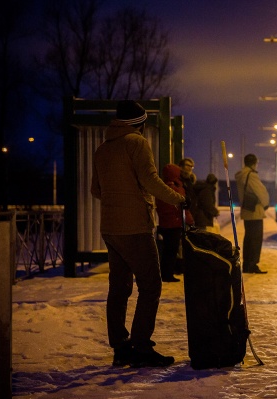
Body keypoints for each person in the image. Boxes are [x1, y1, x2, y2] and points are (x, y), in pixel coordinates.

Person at [91, 100, 188, 368]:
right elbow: (150, 180)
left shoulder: (102, 149)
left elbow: (96, 190)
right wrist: (178, 198)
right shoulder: (136, 143)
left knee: (119, 288)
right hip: (134, 227)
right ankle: (142, 347)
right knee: (151, 285)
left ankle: (121, 347)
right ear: (141, 124)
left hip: (110, 228)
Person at [156, 164, 194, 282]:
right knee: (171, 250)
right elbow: (182, 206)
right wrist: (190, 221)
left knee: (168, 250)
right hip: (174, 223)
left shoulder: (162, 187)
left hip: (165, 222)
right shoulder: (174, 189)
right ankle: (167, 274)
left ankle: (166, 272)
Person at [235, 154, 270, 274]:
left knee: (249, 238)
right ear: (254, 163)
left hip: (246, 210)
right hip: (255, 211)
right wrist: (266, 204)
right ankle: (252, 265)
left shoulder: (241, 175)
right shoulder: (251, 175)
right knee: (255, 239)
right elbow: (261, 192)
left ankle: (246, 264)